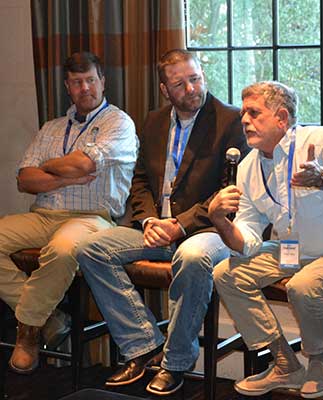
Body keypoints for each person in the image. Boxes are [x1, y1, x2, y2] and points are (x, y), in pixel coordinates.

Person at [75, 49, 248, 396]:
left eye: (195, 78)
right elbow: (139, 180)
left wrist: (179, 225)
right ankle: (143, 345)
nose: (191, 88)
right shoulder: (154, 121)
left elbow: (229, 191)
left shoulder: (229, 120)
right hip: (158, 227)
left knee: (193, 256)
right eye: (179, 83)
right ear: (165, 90)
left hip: (211, 228)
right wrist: (149, 219)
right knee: (90, 249)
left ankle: (176, 362)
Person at [208, 81, 323, 399]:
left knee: (302, 285)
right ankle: (283, 363)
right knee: (227, 273)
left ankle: (320, 360)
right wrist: (220, 221)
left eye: (254, 113)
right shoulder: (249, 166)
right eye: (243, 113)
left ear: (282, 118)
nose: (244, 120)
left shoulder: (319, 138)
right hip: (295, 252)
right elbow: (248, 237)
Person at [0, 51, 137, 374]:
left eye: (90, 80)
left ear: (102, 82)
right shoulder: (51, 128)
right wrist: (66, 174)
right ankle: (47, 316)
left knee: (63, 250)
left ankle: (28, 332)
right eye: (77, 82)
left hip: (93, 217)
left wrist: (50, 168)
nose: (84, 88)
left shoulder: (117, 122)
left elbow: (84, 163)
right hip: (42, 215)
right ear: (67, 87)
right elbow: (25, 179)